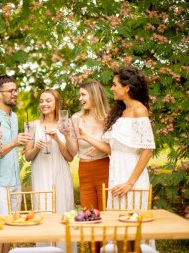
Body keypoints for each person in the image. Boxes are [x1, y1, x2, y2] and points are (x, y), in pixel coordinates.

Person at [79, 66, 155, 210]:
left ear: (126, 88)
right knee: (117, 221)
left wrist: (130, 183)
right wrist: (85, 136)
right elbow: (112, 149)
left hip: (131, 176)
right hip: (116, 173)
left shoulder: (140, 110)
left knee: (132, 222)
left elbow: (148, 150)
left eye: (115, 85)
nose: (112, 89)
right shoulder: (121, 112)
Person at [0, 75, 31, 215]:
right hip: (0, 184)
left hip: (16, 181)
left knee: (15, 225)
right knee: (1, 227)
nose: (15, 94)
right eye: (11, 91)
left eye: (16, 90)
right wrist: (14, 142)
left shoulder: (13, 117)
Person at [24, 89, 75, 213]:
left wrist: (58, 139)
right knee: (43, 208)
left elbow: (70, 158)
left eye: (48, 100)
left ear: (56, 103)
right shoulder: (31, 126)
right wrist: (37, 147)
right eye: (41, 101)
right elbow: (27, 157)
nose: (44, 104)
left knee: (63, 210)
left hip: (60, 173)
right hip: (41, 173)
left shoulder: (65, 124)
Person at [65, 81, 110, 211]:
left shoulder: (109, 117)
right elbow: (73, 152)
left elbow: (112, 148)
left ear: (94, 95)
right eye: (80, 95)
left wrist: (97, 145)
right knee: (88, 213)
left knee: (106, 212)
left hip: (103, 168)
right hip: (84, 170)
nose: (80, 99)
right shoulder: (76, 118)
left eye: (83, 95)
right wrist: (67, 135)